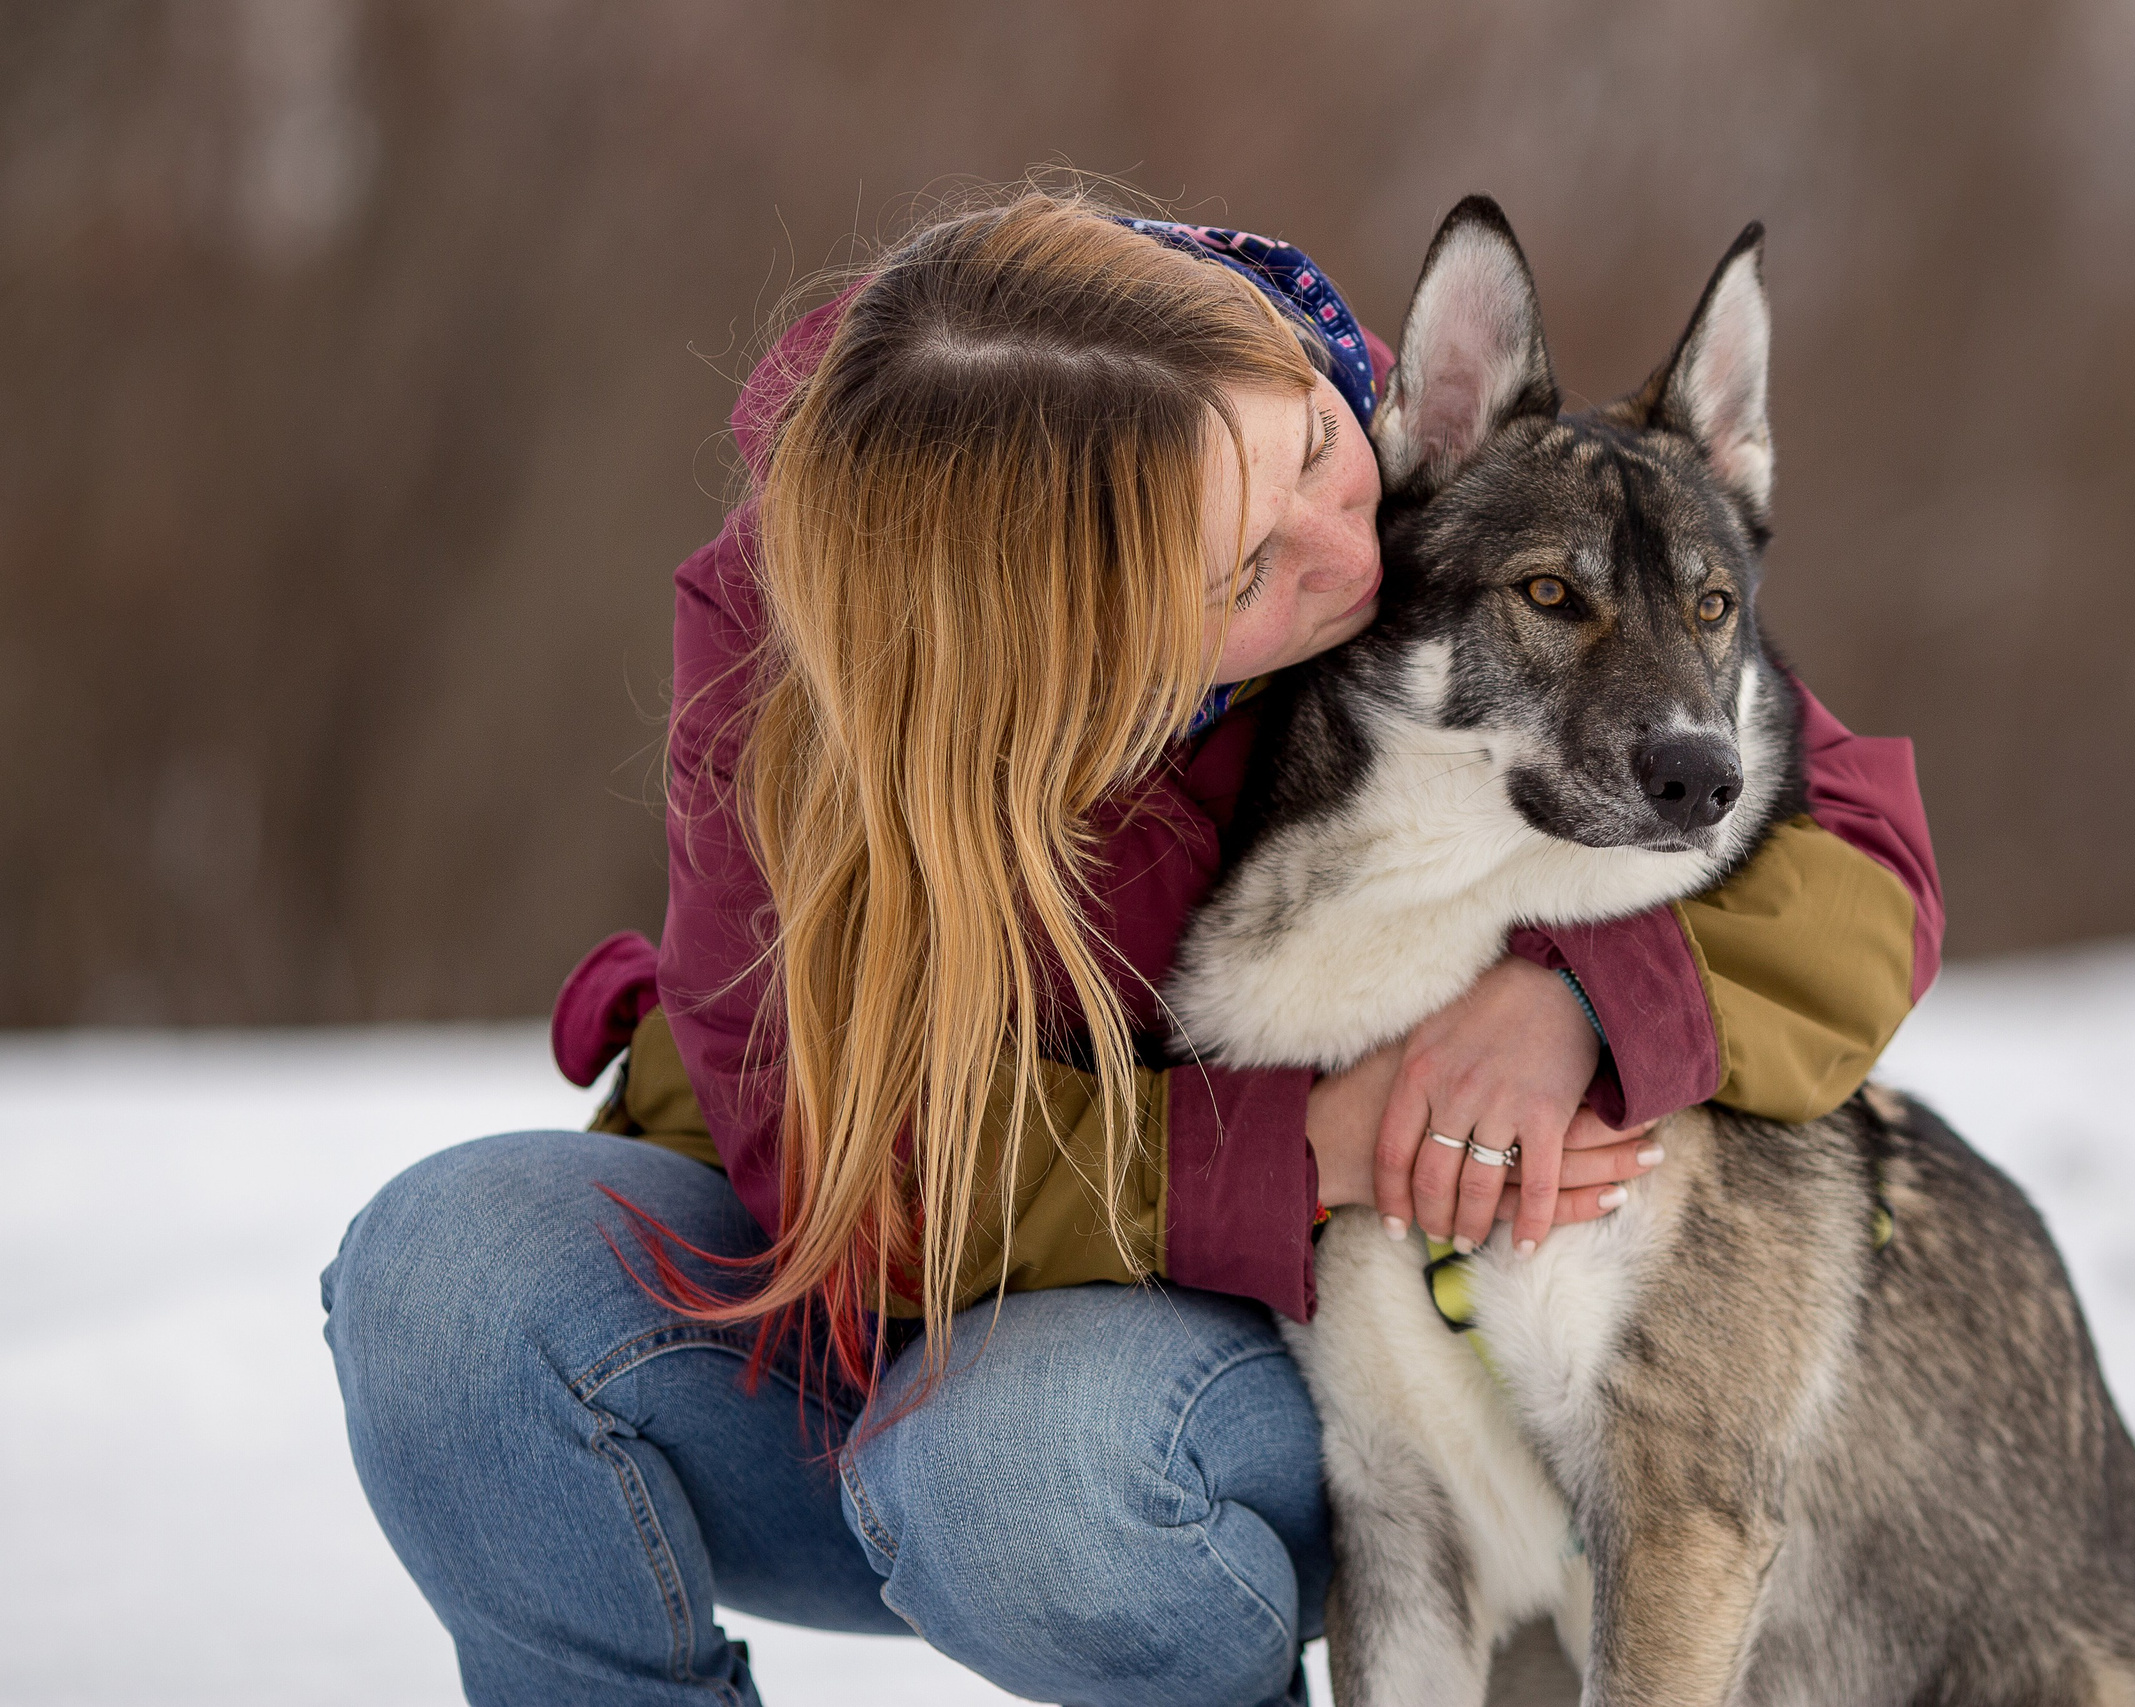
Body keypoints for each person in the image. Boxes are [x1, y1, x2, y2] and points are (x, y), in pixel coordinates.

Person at [323, 190, 1941, 1707]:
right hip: (892, 1286)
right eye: (1246, 573)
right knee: (443, 1281)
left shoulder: (1419, 470)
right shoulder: (795, 669)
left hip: (1200, 1382)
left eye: (1311, 441)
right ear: (1061, 642)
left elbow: (1859, 848)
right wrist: (1307, 1143)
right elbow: (847, 1160)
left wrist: (1590, 999)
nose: (1350, 549)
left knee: (1017, 1466)